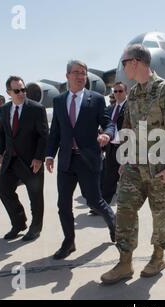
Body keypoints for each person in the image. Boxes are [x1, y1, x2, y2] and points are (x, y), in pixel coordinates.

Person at [101, 44, 165, 284]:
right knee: (125, 209)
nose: (122, 67)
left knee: (159, 214)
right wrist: (124, 159)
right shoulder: (134, 93)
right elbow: (127, 129)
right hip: (134, 167)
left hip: (160, 168)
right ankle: (124, 263)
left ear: (135, 62)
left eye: (124, 62)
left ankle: (158, 256)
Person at [46, 60, 116, 260]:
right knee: (63, 204)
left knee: (94, 201)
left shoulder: (96, 99)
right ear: (67, 75)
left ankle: (113, 222)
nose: (80, 76)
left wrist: (107, 135)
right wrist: (50, 155)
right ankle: (69, 242)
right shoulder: (59, 101)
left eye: (83, 73)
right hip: (67, 161)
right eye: (76, 72)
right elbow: (56, 132)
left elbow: (108, 122)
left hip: (88, 159)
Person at [0, 76, 49, 241]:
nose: (21, 93)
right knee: (4, 190)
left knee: (35, 196)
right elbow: (3, 134)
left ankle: (36, 227)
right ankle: (19, 223)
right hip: (11, 160)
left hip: (31, 161)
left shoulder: (36, 109)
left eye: (23, 90)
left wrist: (39, 157)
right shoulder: (4, 110)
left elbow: (44, 136)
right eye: (17, 91)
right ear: (9, 92)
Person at [101, 82, 128, 204]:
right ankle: (103, 204)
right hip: (111, 147)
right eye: (115, 91)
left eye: (120, 91)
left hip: (125, 148)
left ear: (126, 92)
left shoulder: (130, 108)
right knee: (108, 177)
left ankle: (126, 207)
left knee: (126, 178)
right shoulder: (110, 109)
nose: (117, 93)